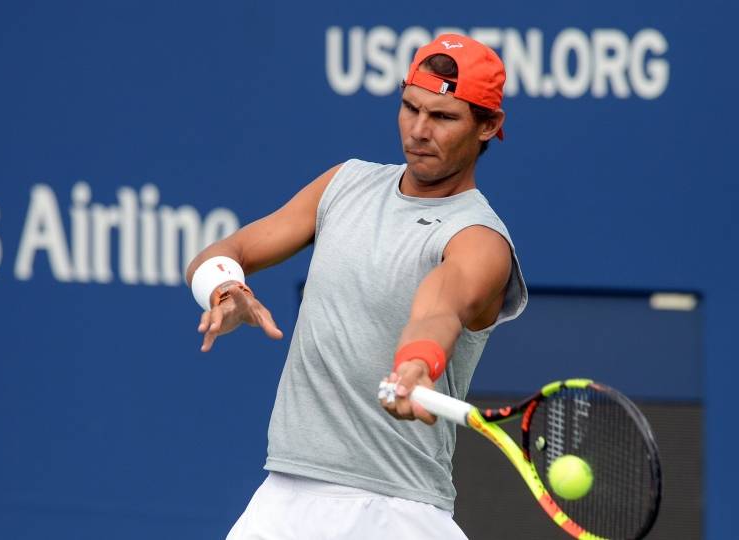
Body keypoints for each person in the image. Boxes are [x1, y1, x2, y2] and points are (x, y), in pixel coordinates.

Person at [186, 34, 527, 539]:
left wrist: (418, 360)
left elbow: (440, 303)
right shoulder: (345, 184)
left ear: (489, 126)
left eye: (443, 117)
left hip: (396, 512)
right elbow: (220, 254)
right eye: (409, 108)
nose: (419, 130)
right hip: (284, 501)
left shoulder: (480, 240)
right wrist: (226, 290)